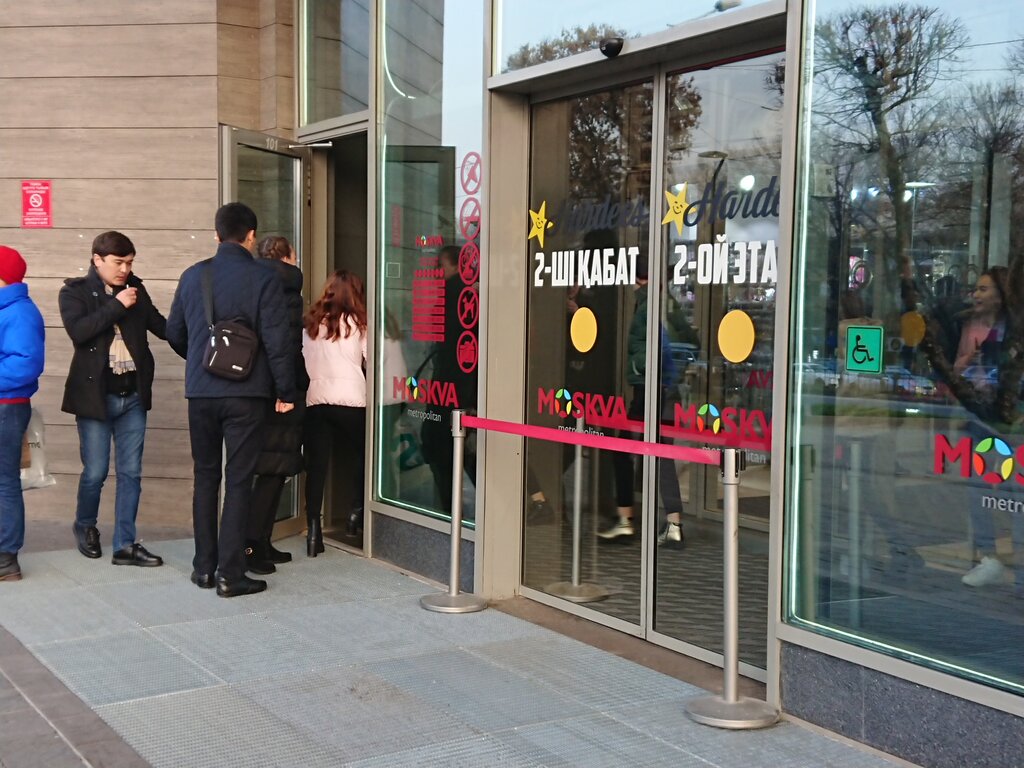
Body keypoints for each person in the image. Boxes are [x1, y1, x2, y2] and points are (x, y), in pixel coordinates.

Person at [166, 203, 296, 598]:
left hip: (201, 392)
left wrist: (204, 361)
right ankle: (231, 574)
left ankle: (203, 568)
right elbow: (277, 340)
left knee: (205, 476)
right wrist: (285, 391)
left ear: (217, 234)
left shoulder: (193, 276)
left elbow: (175, 333)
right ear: (251, 235)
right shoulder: (264, 277)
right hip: (246, 393)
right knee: (239, 480)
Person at [59, 232, 167, 567]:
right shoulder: (74, 292)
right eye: (118, 262)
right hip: (95, 398)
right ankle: (85, 526)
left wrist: (205, 344)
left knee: (131, 472)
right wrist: (118, 305)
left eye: (129, 263)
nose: (125, 269)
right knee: (95, 472)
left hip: (132, 395)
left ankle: (125, 544)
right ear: (97, 259)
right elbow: (80, 331)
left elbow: (162, 327)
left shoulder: (136, 289)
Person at [599, 256, 686, 546]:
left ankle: (626, 521)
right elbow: (689, 341)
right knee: (661, 455)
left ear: (639, 278)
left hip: (650, 390)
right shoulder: (666, 303)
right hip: (664, 388)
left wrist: (640, 368)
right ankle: (674, 523)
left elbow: (659, 346)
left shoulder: (649, 305)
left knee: (622, 450)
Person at [952, 268, 1023, 589]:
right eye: (976, 289)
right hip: (979, 416)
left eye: (984, 289)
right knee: (976, 488)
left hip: (1011, 420)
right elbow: (957, 369)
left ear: (1001, 294)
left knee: (1014, 492)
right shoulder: (969, 325)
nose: (976, 295)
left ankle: (1019, 566)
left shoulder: (1014, 329)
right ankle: (988, 556)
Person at [245, 235, 308, 573]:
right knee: (272, 469)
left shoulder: (251, 282)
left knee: (270, 468)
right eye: (294, 256)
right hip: (280, 391)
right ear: (286, 257)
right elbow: (285, 346)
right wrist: (290, 389)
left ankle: (261, 541)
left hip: (255, 388)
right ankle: (253, 544)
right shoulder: (286, 286)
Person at [302, 270, 367, 556]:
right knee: (365, 455)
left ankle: (313, 531)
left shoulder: (310, 324)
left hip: (316, 401)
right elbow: (371, 361)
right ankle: (356, 511)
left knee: (316, 466)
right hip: (352, 402)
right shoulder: (359, 323)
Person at [420, 245, 478, 515]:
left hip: (452, 383)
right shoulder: (469, 294)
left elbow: (449, 345)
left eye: (440, 266)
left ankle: (449, 511)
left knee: (440, 444)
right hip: (461, 384)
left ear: (455, 265)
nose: (437, 272)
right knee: (458, 446)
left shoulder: (453, 294)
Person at [0, 246, 45, 582]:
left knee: (4, 481)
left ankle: (6, 559)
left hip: (6, 407)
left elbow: (26, 364)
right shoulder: (9, 309)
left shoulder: (19, 312)